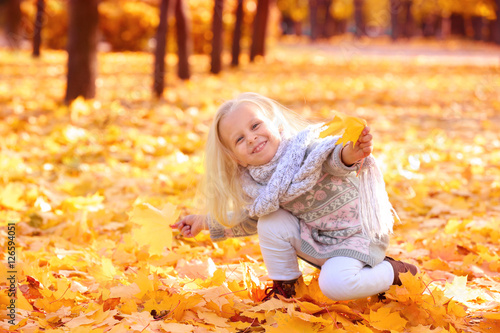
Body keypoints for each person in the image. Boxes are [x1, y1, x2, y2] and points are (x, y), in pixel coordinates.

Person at [172, 92, 418, 301]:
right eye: (239, 139)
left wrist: (350, 154)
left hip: (354, 235)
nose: (251, 137)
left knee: (335, 286)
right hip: (320, 239)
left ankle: (395, 272)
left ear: (276, 126)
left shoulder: (304, 150)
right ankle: (287, 291)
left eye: (255, 126)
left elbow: (332, 159)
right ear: (236, 158)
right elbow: (250, 220)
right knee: (269, 220)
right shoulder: (256, 186)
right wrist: (204, 222)